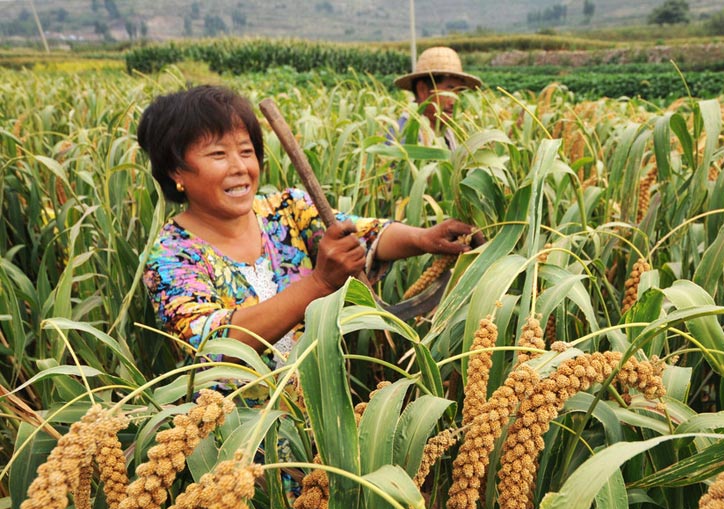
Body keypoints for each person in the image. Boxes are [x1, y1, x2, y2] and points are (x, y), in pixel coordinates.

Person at [138, 85, 481, 370]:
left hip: (321, 416)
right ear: (176, 171)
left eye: (246, 151)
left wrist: (425, 238)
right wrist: (319, 283)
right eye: (218, 154)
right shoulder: (170, 255)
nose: (240, 167)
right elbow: (214, 345)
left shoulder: (287, 210)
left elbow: (362, 234)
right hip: (234, 426)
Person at [392, 46, 482, 150]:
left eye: (458, 92)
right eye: (449, 90)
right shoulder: (405, 137)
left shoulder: (444, 131)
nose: (454, 102)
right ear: (422, 90)